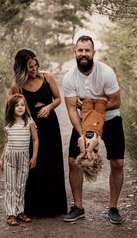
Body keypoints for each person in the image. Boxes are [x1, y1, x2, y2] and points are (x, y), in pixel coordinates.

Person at [62, 35, 125, 224]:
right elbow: (72, 109)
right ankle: (78, 207)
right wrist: (83, 133)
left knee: (118, 163)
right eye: (80, 50)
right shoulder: (69, 77)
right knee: (73, 161)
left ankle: (113, 208)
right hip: (83, 120)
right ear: (75, 52)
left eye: (86, 50)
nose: (83, 54)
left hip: (111, 119)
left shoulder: (106, 72)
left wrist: (94, 105)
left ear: (93, 53)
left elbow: (116, 101)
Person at [11, 49, 67, 218]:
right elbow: (13, 108)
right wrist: (28, 119)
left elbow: (58, 98)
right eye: (30, 67)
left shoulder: (47, 77)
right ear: (22, 68)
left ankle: (53, 206)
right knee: (33, 164)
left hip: (50, 125)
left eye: (36, 65)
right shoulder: (17, 85)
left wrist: (49, 107)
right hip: (30, 127)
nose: (34, 69)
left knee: (51, 162)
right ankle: (32, 207)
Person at [0, 93, 39, 226]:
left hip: (24, 158)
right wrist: (1, 159)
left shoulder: (29, 122)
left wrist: (34, 157)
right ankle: (11, 214)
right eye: (17, 105)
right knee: (10, 186)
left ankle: (20, 211)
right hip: (10, 157)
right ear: (11, 108)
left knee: (21, 185)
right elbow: (6, 142)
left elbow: (35, 139)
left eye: (22, 105)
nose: (20, 107)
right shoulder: (8, 124)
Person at [76, 97, 107, 181]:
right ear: (96, 157)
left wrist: (83, 150)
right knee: (102, 101)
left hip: (86, 118)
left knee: (87, 100)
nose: (86, 155)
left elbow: (80, 139)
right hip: (98, 119)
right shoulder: (95, 148)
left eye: (83, 158)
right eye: (89, 158)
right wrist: (89, 150)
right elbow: (95, 141)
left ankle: (89, 94)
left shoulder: (83, 146)